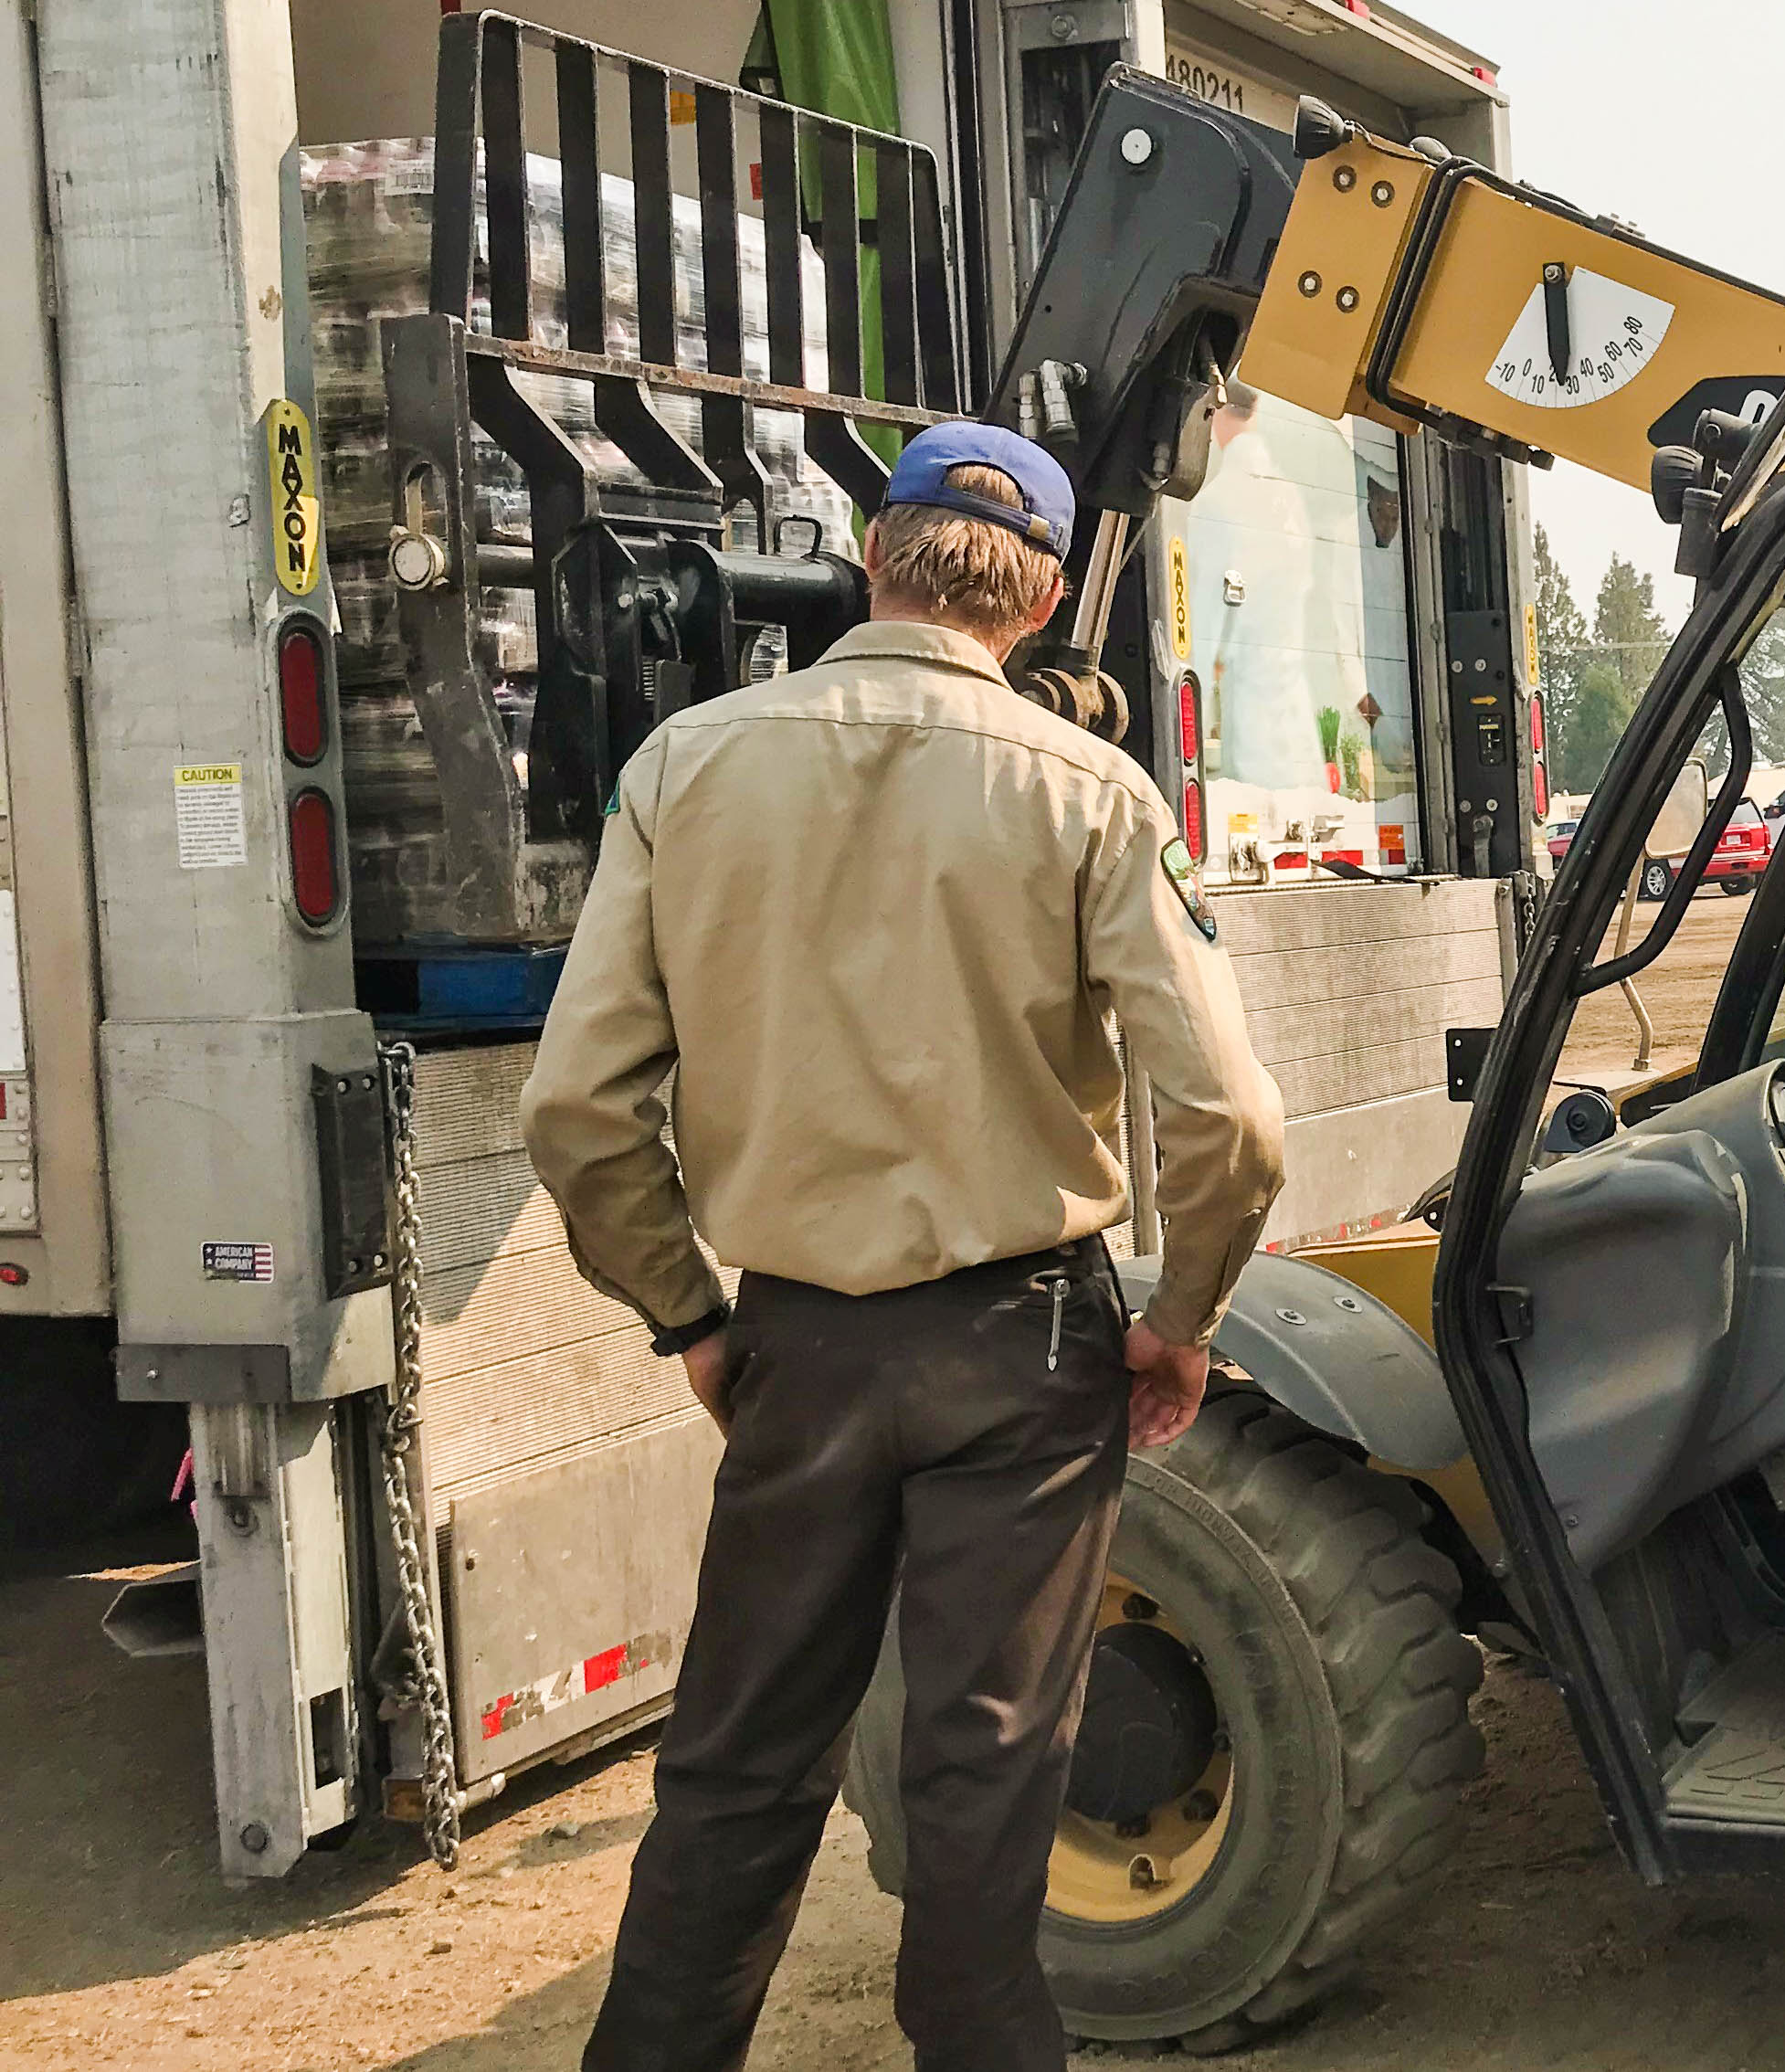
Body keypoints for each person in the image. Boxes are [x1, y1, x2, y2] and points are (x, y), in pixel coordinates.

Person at [523, 421, 1288, 2072]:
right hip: (1023, 1350)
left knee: (734, 1772)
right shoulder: (1089, 789)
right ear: (1047, 594)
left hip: (795, 1341)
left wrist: (696, 1319)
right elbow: (1231, 1119)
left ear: (871, 557)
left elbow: (577, 1109)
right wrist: (1188, 1315)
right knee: (986, 1774)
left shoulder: (688, 767)